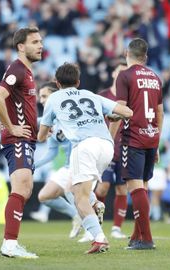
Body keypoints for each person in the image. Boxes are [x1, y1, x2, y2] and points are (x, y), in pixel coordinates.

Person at [38, 62, 133, 254]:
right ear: (78, 81)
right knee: (76, 188)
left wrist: (46, 133)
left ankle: (99, 238)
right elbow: (127, 112)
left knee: (77, 197)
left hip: (84, 146)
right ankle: (95, 203)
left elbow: (41, 136)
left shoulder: (53, 99)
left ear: (57, 83)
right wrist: (113, 118)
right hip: (107, 146)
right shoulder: (91, 95)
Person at [0, 27, 43, 259]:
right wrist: (11, 127)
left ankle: (11, 242)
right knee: (21, 186)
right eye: (34, 42)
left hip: (27, 139)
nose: (40, 45)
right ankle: (9, 245)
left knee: (26, 189)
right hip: (17, 139)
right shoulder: (17, 69)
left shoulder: (28, 72)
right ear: (21, 46)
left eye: (40, 41)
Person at [110, 38, 164, 250]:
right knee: (142, 187)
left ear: (126, 53)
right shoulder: (155, 77)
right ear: (146, 56)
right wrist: (157, 141)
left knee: (134, 187)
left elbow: (121, 108)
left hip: (132, 138)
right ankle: (136, 236)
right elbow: (160, 112)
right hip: (151, 137)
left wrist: (108, 138)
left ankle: (146, 239)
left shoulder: (125, 75)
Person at [29, 82, 83, 239]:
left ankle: (93, 232)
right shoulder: (50, 122)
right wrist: (32, 166)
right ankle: (77, 216)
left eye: (45, 96)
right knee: (44, 196)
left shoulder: (70, 114)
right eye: (40, 97)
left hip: (82, 163)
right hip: (68, 167)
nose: (41, 100)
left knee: (76, 196)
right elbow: (51, 153)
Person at [95, 64, 129, 239]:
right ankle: (94, 224)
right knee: (102, 188)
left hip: (125, 148)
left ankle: (116, 228)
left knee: (122, 189)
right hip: (106, 148)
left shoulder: (131, 97)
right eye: (119, 71)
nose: (122, 74)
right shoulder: (102, 96)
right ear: (114, 73)